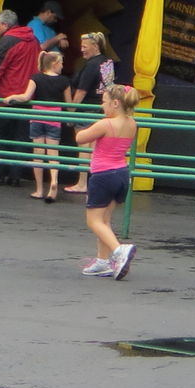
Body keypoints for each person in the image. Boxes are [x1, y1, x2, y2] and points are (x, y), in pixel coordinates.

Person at [73, 84, 139, 278]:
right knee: (104, 221)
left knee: (93, 221)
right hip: (121, 174)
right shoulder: (132, 123)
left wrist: (87, 125)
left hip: (103, 175)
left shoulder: (106, 124)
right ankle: (102, 261)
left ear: (115, 103)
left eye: (104, 102)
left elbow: (80, 137)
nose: (102, 106)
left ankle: (119, 250)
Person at [0, 11, 41, 185]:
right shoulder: (34, 40)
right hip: (26, 97)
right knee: (20, 138)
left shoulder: (6, 41)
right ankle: (15, 176)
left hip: (4, 97)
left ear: (5, 25)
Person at [7, 49, 73, 201]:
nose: (63, 66)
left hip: (37, 118)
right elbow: (69, 106)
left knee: (38, 155)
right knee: (53, 154)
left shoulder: (35, 78)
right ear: (55, 63)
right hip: (54, 119)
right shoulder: (64, 81)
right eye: (61, 63)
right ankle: (54, 182)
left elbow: (25, 97)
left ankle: (39, 190)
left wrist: (11, 97)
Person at [63, 31, 118, 195]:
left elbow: (81, 91)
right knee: (96, 149)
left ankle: (82, 183)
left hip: (86, 109)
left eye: (84, 46)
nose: (82, 50)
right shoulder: (107, 61)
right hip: (101, 108)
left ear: (95, 46)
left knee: (84, 147)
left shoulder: (91, 65)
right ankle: (96, 183)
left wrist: (71, 112)